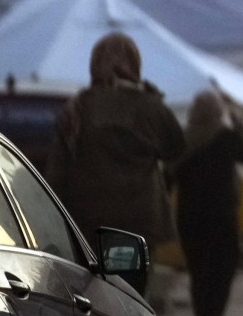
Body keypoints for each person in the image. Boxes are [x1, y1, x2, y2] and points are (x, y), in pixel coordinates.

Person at [48, 31, 186, 297]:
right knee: (131, 297)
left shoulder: (78, 107)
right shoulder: (150, 106)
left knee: (96, 297)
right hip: (138, 222)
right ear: (135, 63)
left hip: (89, 222)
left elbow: (58, 169)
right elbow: (176, 147)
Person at [173, 89, 243, 316]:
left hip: (189, 216)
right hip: (222, 215)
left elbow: (168, 177)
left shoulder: (182, 140)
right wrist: (240, 127)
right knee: (223, 269)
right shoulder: (226, 137)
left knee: (199, 271)